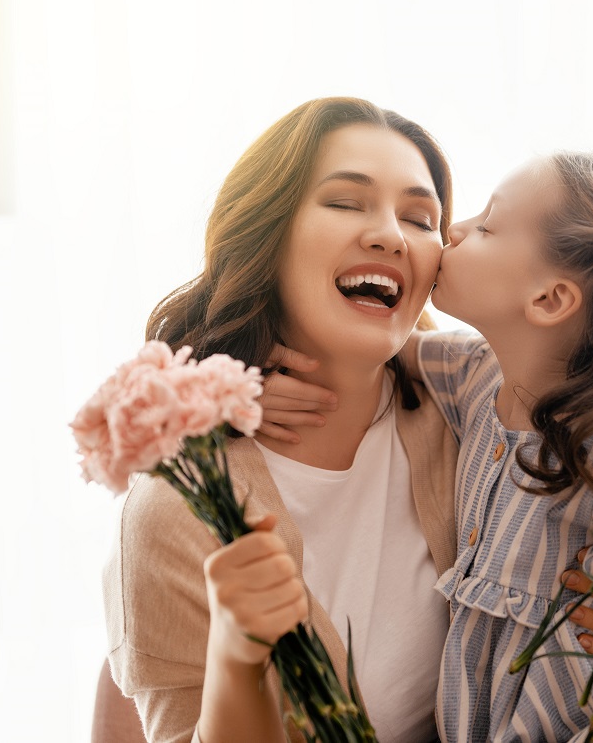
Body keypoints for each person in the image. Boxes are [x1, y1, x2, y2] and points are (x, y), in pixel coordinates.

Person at [267, 152, 593, 742]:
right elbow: (373, 344)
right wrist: (255, 364)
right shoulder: (475, 374)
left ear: (548, 300)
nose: (453, 231)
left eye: (487, 226)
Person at [102, 97, 463, 743]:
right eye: (346, 202)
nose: (390, 234)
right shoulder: (178, 504)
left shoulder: (472, 422)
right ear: (267, 234)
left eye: (420, 217)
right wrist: (238, 659)